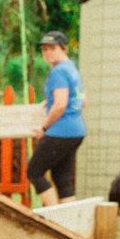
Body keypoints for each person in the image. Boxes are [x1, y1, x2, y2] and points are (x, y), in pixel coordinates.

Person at [26, 31, 85, 206]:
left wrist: (44, 128)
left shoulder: (58, 72)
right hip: (77, 131)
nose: (47, 53)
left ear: (64, 48)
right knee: (61, 177)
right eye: (44, 49)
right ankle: (70, 223)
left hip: (61, 132)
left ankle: (55, 220)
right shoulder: (71, 68)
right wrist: (49, 100)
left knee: (34, 172)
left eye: (52, 48)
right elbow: (83, 99)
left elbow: (60, 105)